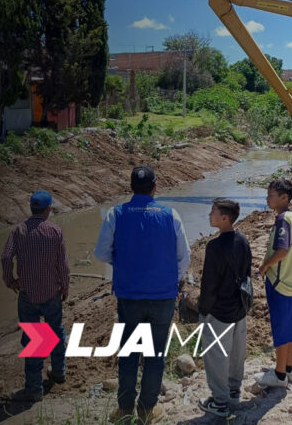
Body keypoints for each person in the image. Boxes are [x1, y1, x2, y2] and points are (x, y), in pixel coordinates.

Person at [95, 165, 190, 424]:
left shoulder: (115, 214)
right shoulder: (171, 215)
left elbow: (101, 253)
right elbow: (184, 258)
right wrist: (172, 280)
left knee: (129, 352)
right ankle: (147, 409)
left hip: (129, 296)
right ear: (155, 188)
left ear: (130, 188)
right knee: (155, 354)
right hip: (162, 296)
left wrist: (124, 263)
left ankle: (125, 408)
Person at [1, 190, 70, 402]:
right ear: (48, 209)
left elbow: (6, 257)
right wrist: (65, 287)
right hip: (51, 293)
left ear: (31, 208)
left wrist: (10, 281)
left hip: (27, 294)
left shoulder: (19, 230)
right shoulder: (54, 231)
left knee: (34, 339)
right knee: (56, 332)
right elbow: (63, 265)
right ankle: (58, 372)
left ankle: (33, 387)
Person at [197, 198, 252, 418]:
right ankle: (233, 390)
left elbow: (209, 283)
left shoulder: (215, 246)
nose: (210, 215)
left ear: (225, 218)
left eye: (213, 211)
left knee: (216, 356)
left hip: (219, 311)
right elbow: (246, 272)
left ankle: (220, 403)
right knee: (236, 353)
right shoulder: (243, 240)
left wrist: (203, 309)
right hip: (239, 306)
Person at [256, 178, 292, 388]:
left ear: (284, 198)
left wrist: (264, 266)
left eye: (271, 195)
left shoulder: (282, 220)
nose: (267, 199)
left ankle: (279, 375)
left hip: (279, 282)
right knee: (289, 328)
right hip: (290, 281)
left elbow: (282, 250)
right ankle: (289, 369)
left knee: (281, 329)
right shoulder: (290, 217)